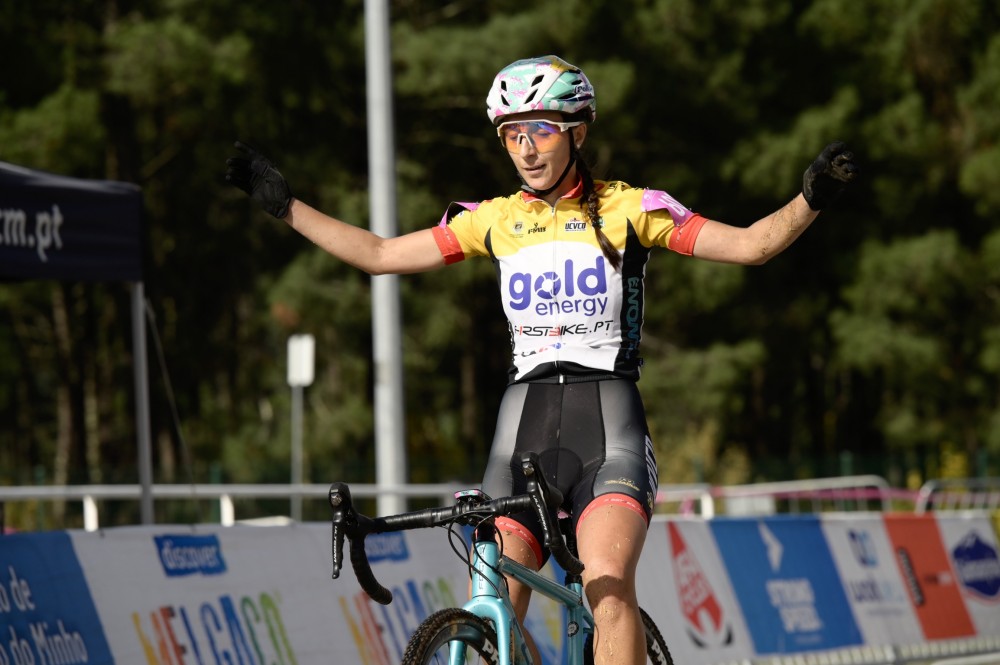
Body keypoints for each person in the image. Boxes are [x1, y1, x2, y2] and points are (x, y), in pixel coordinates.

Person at [226, 55, 857, 665]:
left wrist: (812, 198)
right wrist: (285, 207)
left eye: (540, 131)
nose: (526, 149)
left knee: (607, 587)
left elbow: (751, 247)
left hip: (608, 427)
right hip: (521, 427)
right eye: (511, 135)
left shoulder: (629, 208)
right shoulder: (494, 221)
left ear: (577, 132)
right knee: (496, 597)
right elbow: (380, 254)